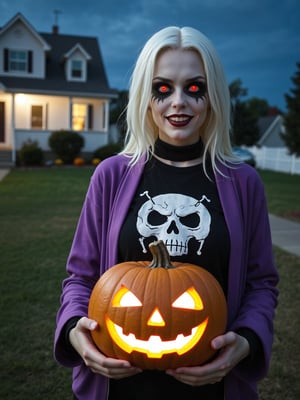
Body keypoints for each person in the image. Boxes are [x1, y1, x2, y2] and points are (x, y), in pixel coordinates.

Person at [54, 26, 279, 400]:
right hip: (120, 386)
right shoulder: (111, 175)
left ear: (213, 96)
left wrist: (244, 342)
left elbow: (262, 284)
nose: (178, 102)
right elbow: (81, 276)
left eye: (194, 88)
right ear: (145, 96)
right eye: (163, 88)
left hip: (213, 386)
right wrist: (76, 328)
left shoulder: (243, 182)